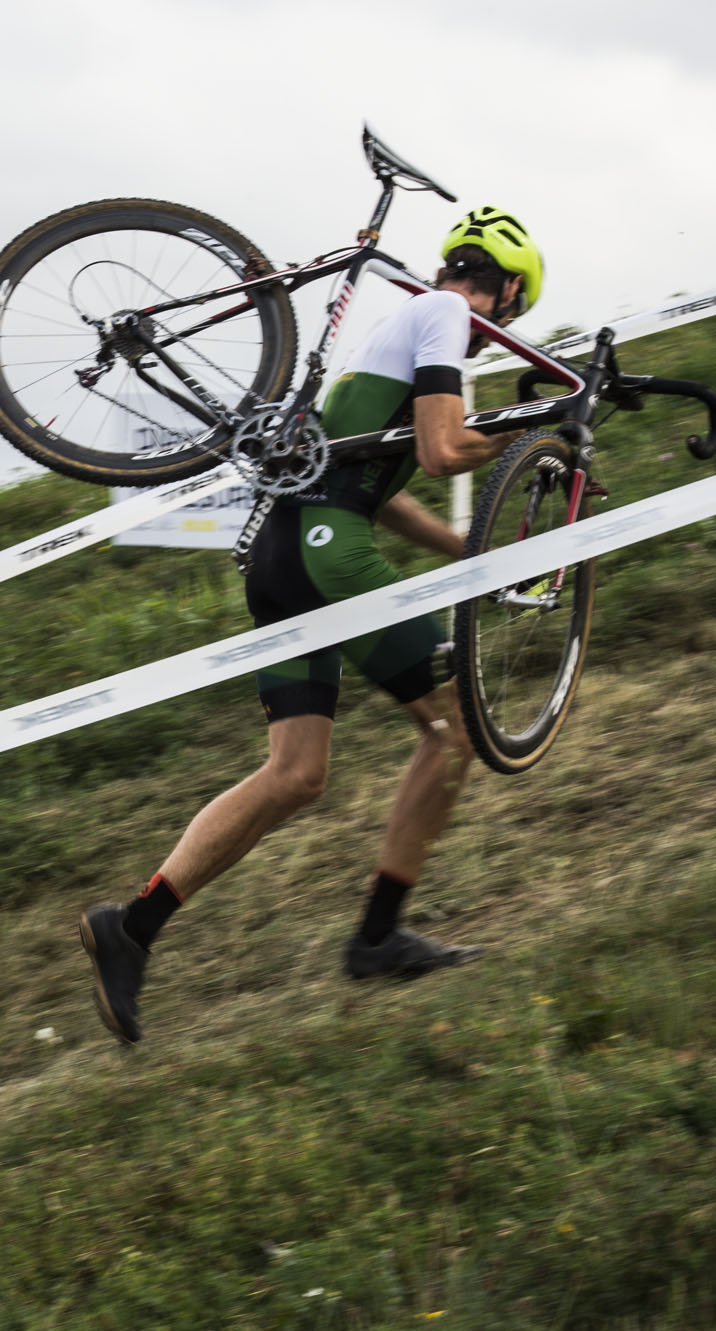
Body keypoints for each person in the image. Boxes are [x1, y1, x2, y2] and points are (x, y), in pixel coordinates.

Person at [80, 207, 545, 1044]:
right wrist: (525, 432)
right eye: (510, 313)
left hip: (284, 558)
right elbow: (442, 452)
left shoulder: (393, 332)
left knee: (295, 774)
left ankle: (131, 926)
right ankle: (375, 938)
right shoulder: (443, 314)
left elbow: (371, 484)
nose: (497, 333)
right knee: (453, 731)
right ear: (506, 290)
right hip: (329, 555)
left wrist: (463, 548)